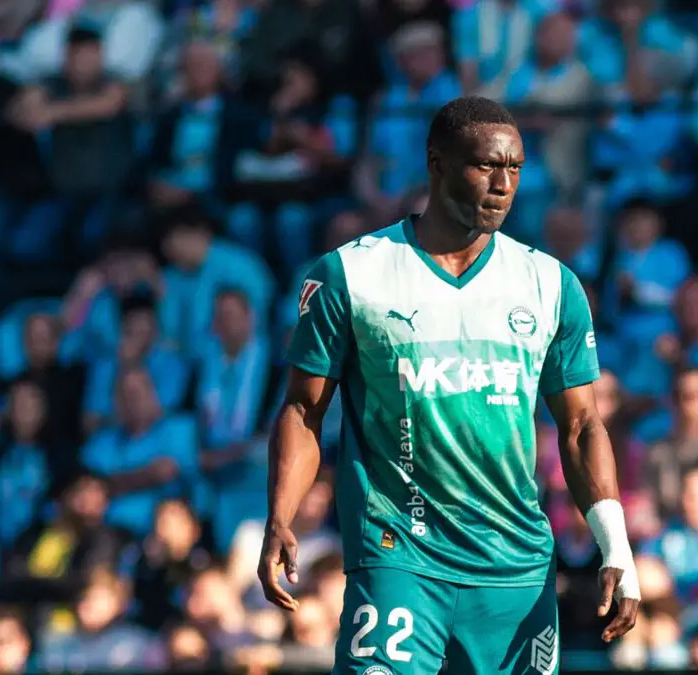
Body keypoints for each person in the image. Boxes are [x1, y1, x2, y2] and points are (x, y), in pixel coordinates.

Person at [259, 96, 641, 675]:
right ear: (436, 163)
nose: (503, 184)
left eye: (514, 168)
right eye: (486, 165)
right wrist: (280, 516)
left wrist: (615, 542)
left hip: (515, 568)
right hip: (399, 556)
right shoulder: (352, 275)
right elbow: (303, 410)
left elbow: (582, 425)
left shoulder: (550, 284)